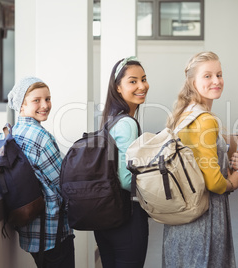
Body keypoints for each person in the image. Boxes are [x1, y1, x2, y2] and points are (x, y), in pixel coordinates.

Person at [162, 51, 238, 268]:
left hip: (181, 215)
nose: (216, 81)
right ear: (192, 82)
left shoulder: (182, 115)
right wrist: (233, 181)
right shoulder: (205, 120)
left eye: (219, 74)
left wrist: (224, 156)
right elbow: (214, 182)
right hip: (204, 217)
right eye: (207, 76)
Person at [0, 76, 75, 268]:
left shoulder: (2, 135)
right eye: (36, 100)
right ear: (21, 105)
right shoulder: (41, 137)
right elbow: (63, 182)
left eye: (48, 98)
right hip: (53, 232)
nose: (45, 105)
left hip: (27, 230)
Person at [93, 56, 149, 268]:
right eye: (133, 81)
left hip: (104, 217)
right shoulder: (127, 123)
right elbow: (126, 180)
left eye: (143, 79)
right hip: (127, 218)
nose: (142, 86)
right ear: (118, 88)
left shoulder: (110, 119)